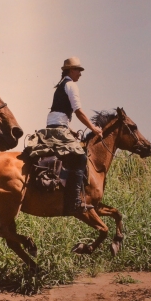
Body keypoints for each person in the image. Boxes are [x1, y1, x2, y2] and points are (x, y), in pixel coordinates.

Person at [43, 56, 102, 215]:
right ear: (70, 70)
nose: (80, 74)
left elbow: (58, 112)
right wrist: (93, 128)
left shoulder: (61, 86)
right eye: (78, 70)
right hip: (58, 128)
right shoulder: (71, 85)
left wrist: (70, 130)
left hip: (54, 126)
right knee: (81, 158)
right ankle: (74, 201)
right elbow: (78, 111)